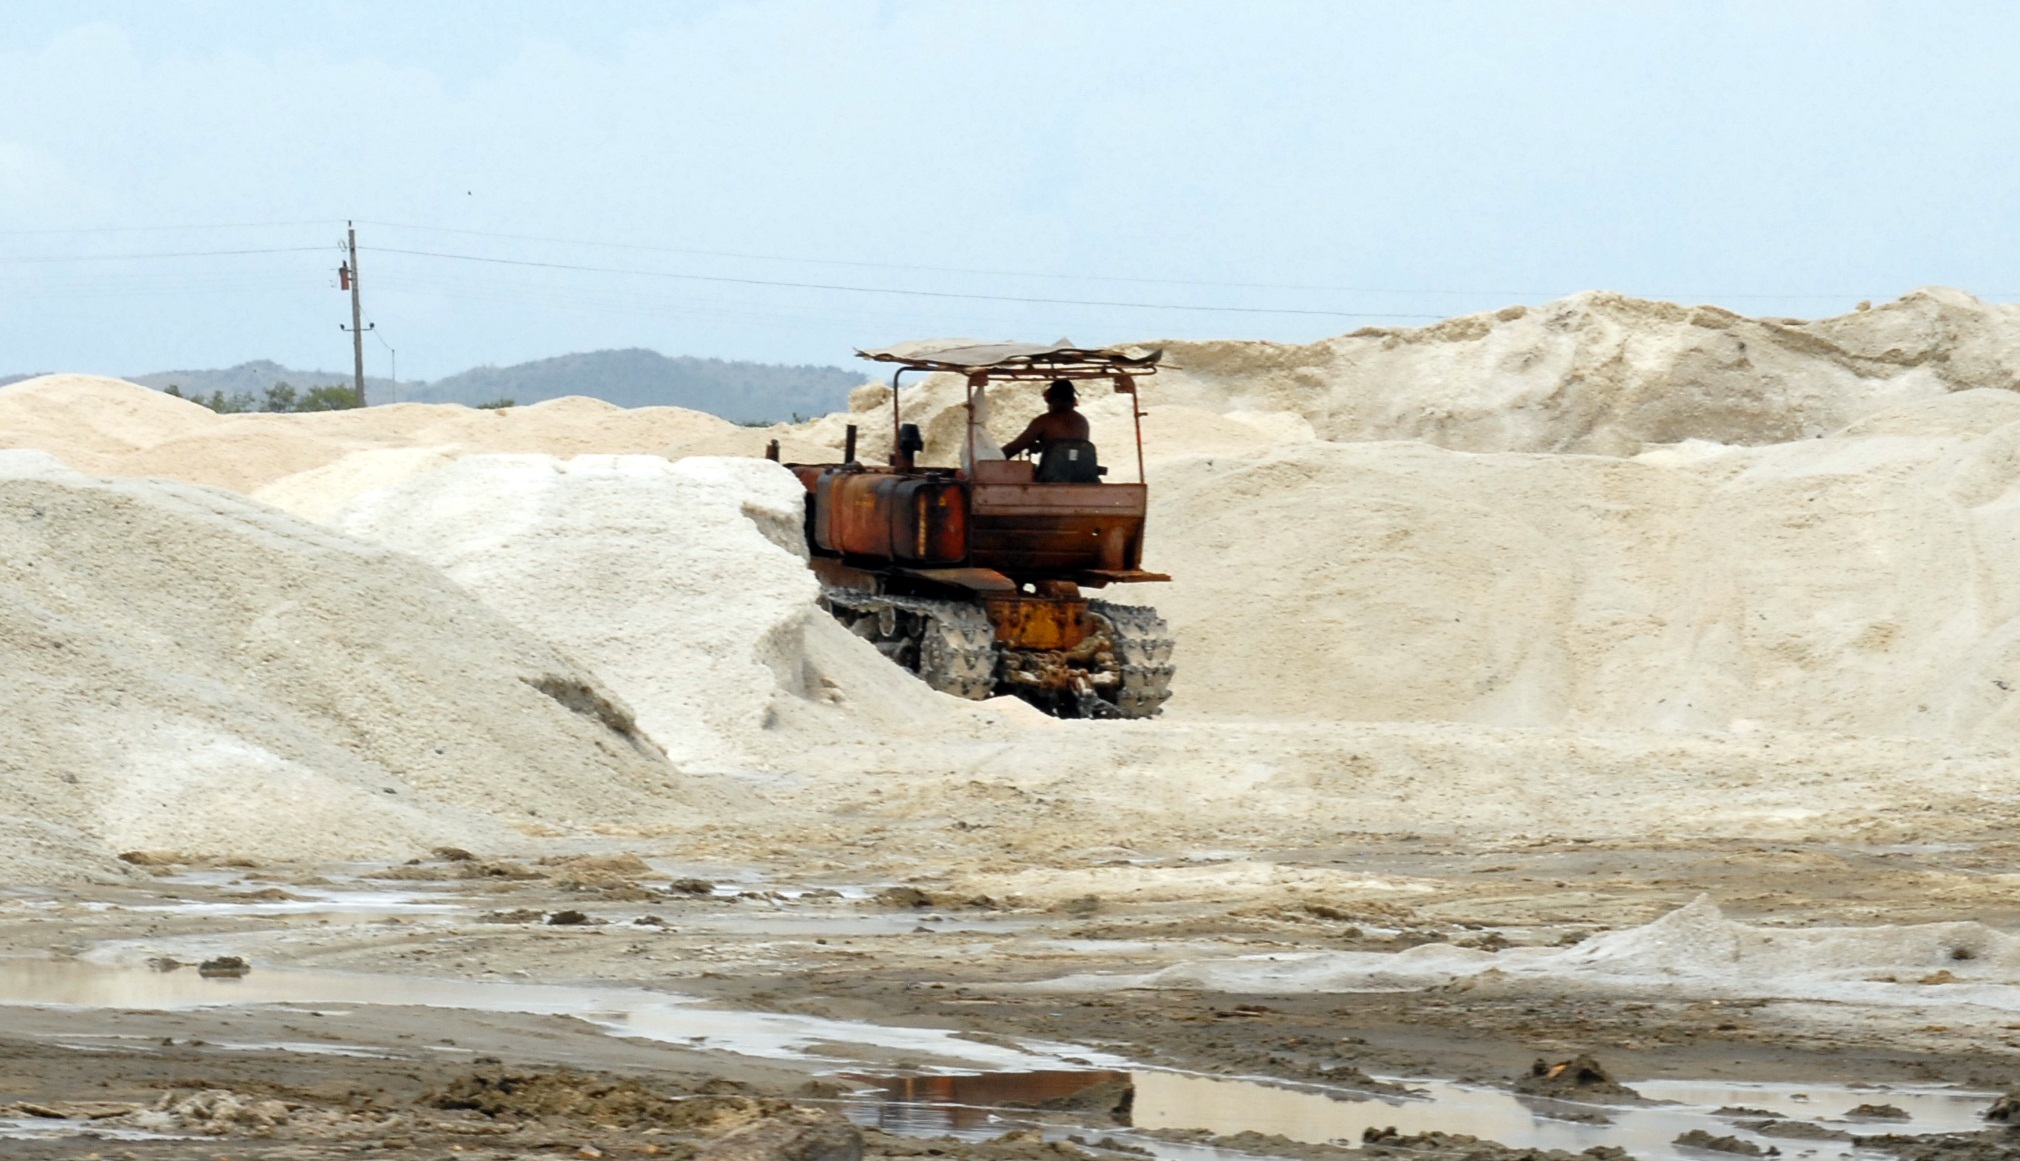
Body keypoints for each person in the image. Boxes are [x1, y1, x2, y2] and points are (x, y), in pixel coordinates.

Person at [1002, 379, 1092, 460]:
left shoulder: (1043, 421)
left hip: (1051, 475)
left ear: (1049, 399)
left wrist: (993, 456)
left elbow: (1015, 447)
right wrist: (1043, 446)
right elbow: (1069, 452)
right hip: (1081, 475)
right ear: (1073, 401)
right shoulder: (1082, 421)